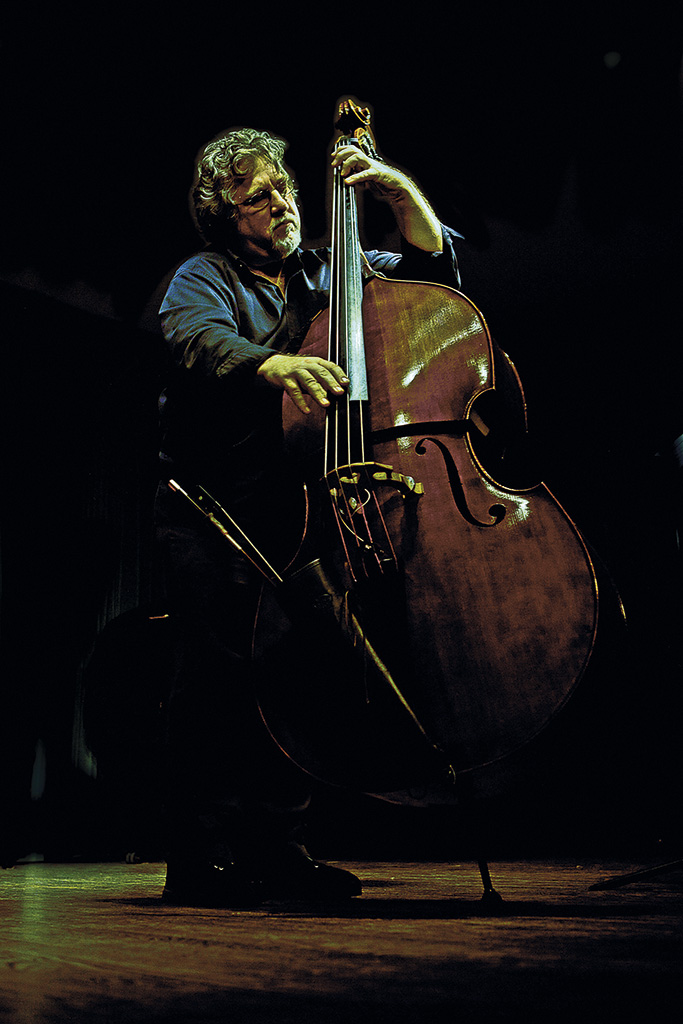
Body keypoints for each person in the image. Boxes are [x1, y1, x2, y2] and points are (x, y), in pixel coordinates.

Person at [155, 120, 462, 907]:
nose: (282, 203)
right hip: (215, 509)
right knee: (216, 679)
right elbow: (196, 341)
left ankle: (281, 851)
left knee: (294, 679)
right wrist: (276, 364)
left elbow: (432, 278)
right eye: (258, 196)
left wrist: (396, 191)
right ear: (225, 215)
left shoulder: (335, 271)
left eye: (284, 188)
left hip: (300, 509)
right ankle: (201, 857)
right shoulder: (204, 275)